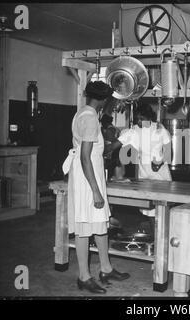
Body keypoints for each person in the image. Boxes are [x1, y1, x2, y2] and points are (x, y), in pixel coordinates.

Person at [62, 81, 130, 294]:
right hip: (87, 180)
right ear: (102, 100)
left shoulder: (82, 113)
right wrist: (95, 190)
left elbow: (88, 152)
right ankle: (83, 276)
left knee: (100, 223)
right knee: (84, 228)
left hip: (91, 175)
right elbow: (84, 158)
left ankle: (106, 268)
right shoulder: (90, 118)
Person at [109, 104, 171, 219]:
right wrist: (102, 150)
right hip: (144, 174)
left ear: (149, 118)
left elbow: (168, 152)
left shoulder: (159, 128)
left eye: (141, 119)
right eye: (137, 118)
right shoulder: (135, 131)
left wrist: (159, 163)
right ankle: (154, 235)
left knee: (162, 211)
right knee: (148, 210)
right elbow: (117, 144)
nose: (138, 121)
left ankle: (161, 235)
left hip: (161, 174)